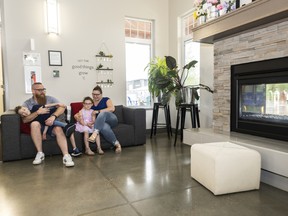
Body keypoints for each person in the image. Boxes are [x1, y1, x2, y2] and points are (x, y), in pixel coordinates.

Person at [21, 82, 75, 167]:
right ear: (33, 91)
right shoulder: (27, 103)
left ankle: (66, 156)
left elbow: (62, 107)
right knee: (34, 124)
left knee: (58, 128)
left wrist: (53, 117)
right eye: (39, 90)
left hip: (51, 123)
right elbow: (25, 120)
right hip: (39, 126)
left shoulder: (50, 99)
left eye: (43, 89)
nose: (42, 92)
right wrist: (37, 112)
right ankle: (40, 153)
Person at [15, 104, 82, 157]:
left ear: (26, 107)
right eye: (22, 114)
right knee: (53, 124)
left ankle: (67, 127)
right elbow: (46, 122)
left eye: (24, 110)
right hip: (51, 121)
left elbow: (48, 106)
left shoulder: (35, 107)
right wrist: (44, 133)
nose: (24, 113)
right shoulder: (33, 118)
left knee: (57, 125)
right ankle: (74, 147)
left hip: (58, 115)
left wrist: (57, 104)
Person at [75, 85, 121, 153]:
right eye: (93, 94)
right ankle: (117, 145)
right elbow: (80, 112)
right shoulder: (91, 103)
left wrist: (98, 111)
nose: (95, 96)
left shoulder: (106, 99)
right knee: (104, 127)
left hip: (111, 119)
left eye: (97, 94)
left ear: (101, 94)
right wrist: (76, 116)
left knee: (102, 113)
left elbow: (112, 108)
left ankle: (95, 132)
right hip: (101, 123)